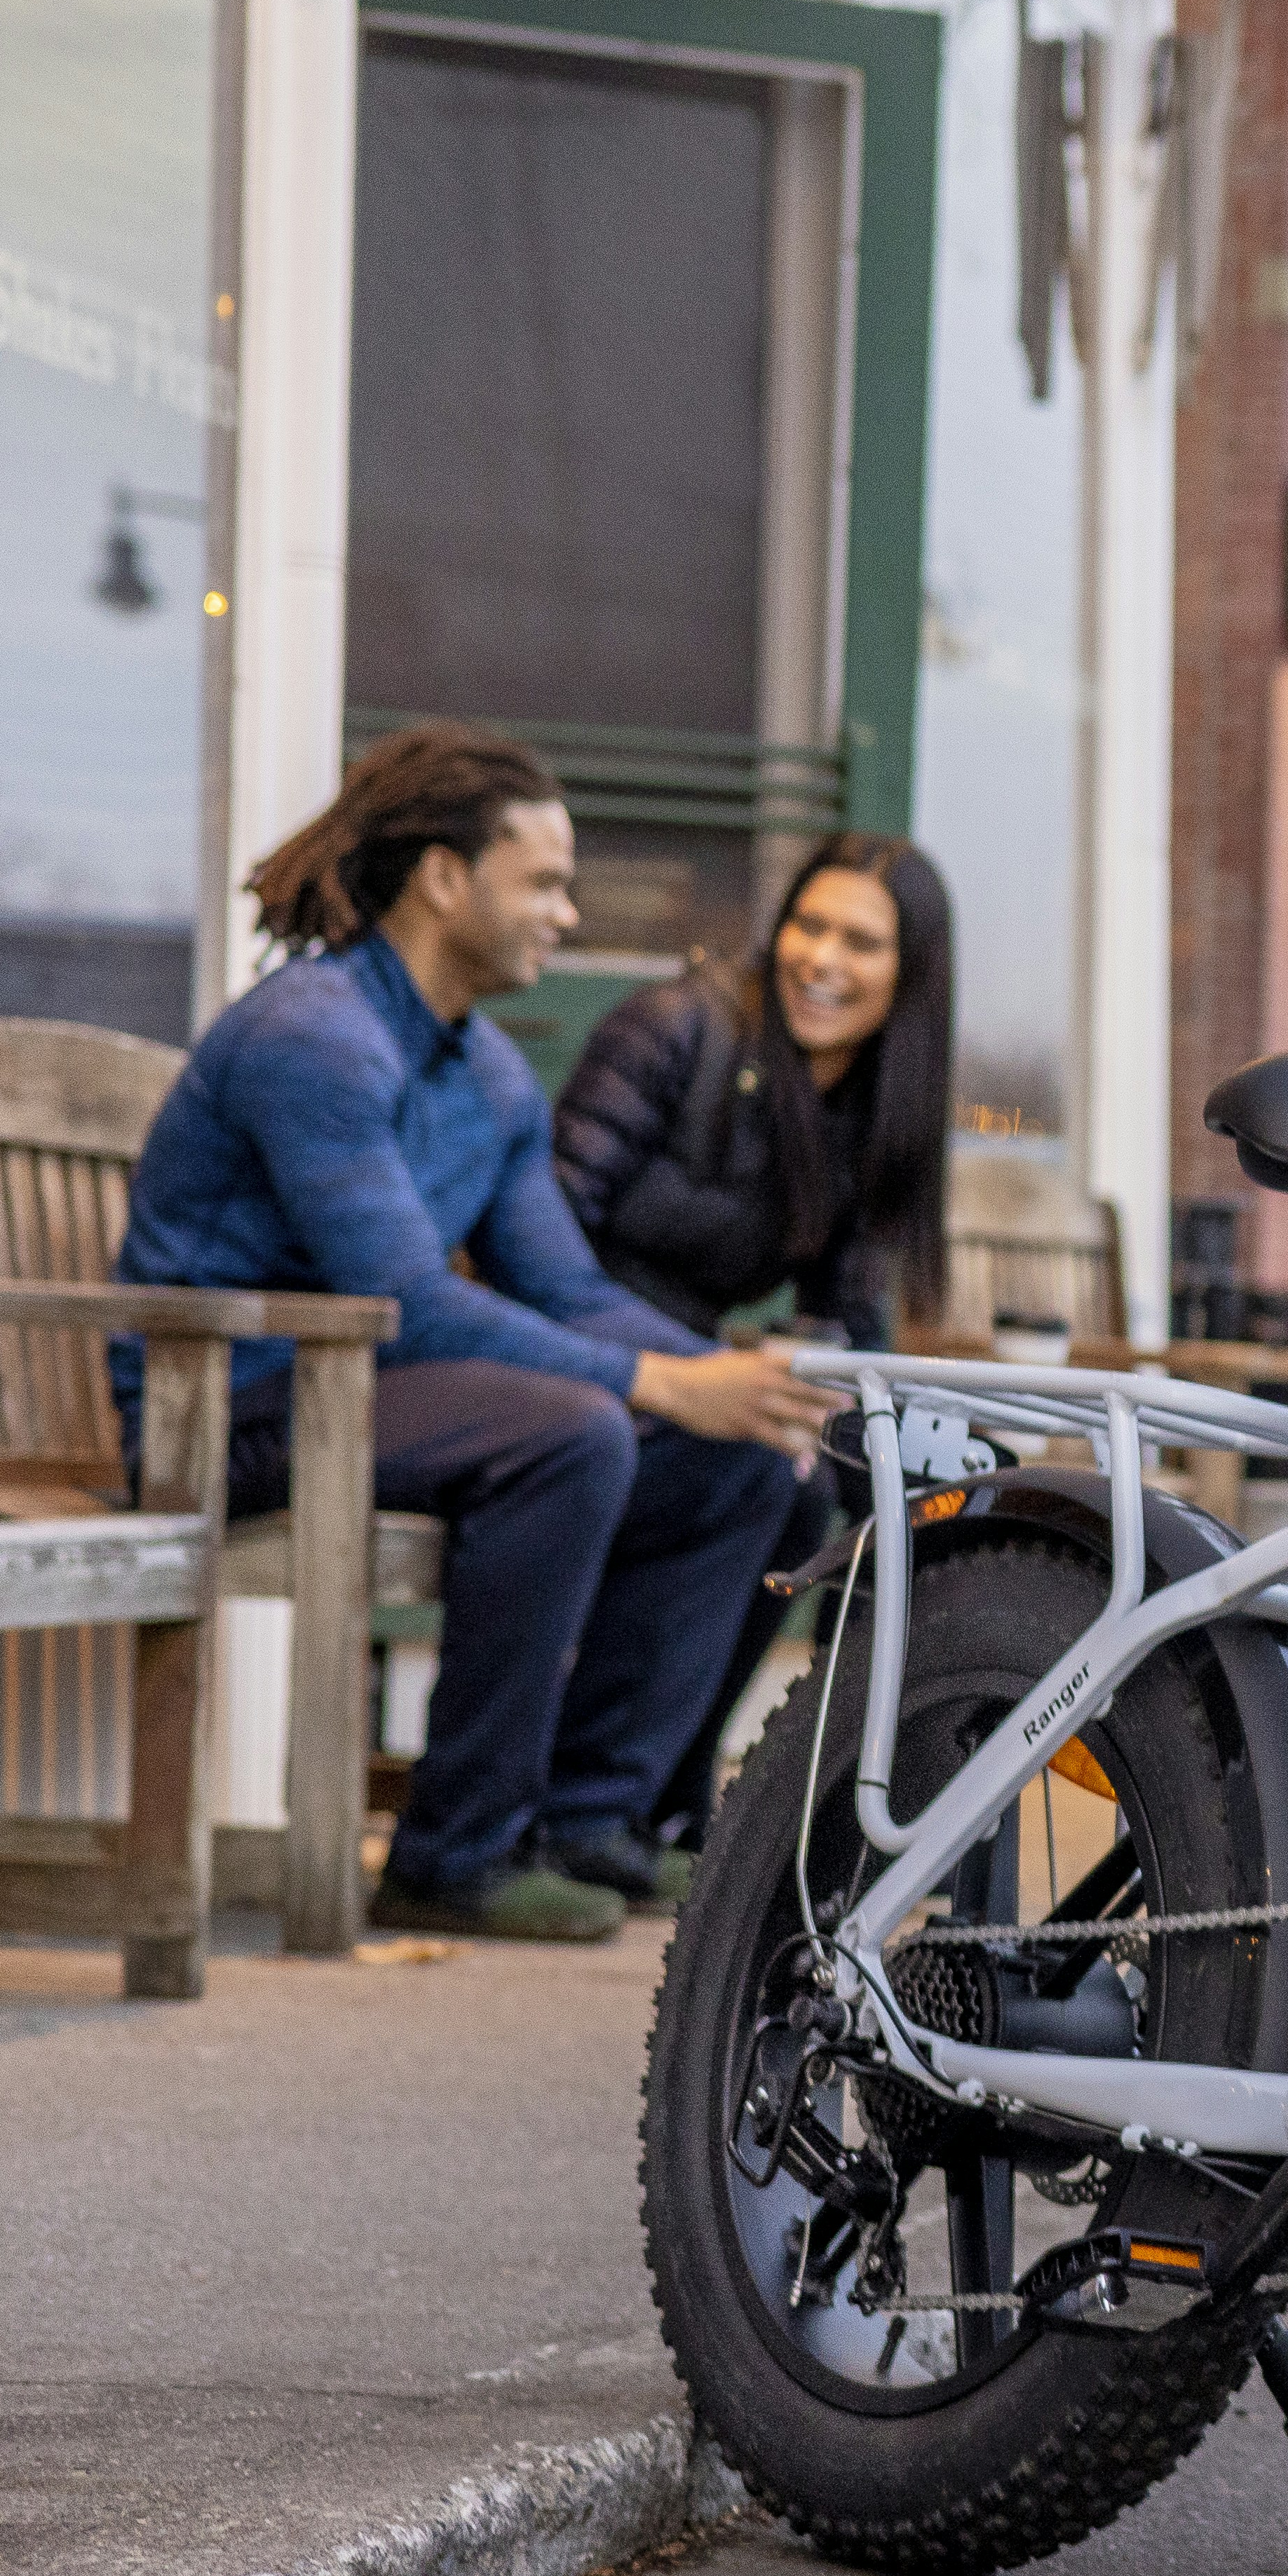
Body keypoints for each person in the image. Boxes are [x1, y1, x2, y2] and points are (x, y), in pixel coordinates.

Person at [117, 724, 830, 1942]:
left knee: (748, 1458)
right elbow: (407, 1303)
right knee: (574, 1435)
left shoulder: (488, 1073)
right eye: (543, 882)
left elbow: (562, 1287)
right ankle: (451, 1852)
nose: (566, 913)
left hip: (367, 1404)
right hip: (228, 1414)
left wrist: (722, 1381)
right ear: (446, 879)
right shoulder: (316, 1036)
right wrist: (657, 1379)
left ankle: (589, 1820)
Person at [550, 836, 956, 1857]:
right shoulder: (671, 1030)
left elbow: (851, 1314)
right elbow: (542, 1242)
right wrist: (685, 1369)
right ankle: (593, 1806)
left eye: (860, 940)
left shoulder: (868, 1108)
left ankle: (716, 1806)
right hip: (577, 1364)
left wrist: (909, 1476)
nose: (821, 957)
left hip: (693, 1375)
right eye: (808, 925)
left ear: (911, 974)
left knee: (847, 1498)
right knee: (757, 1472)